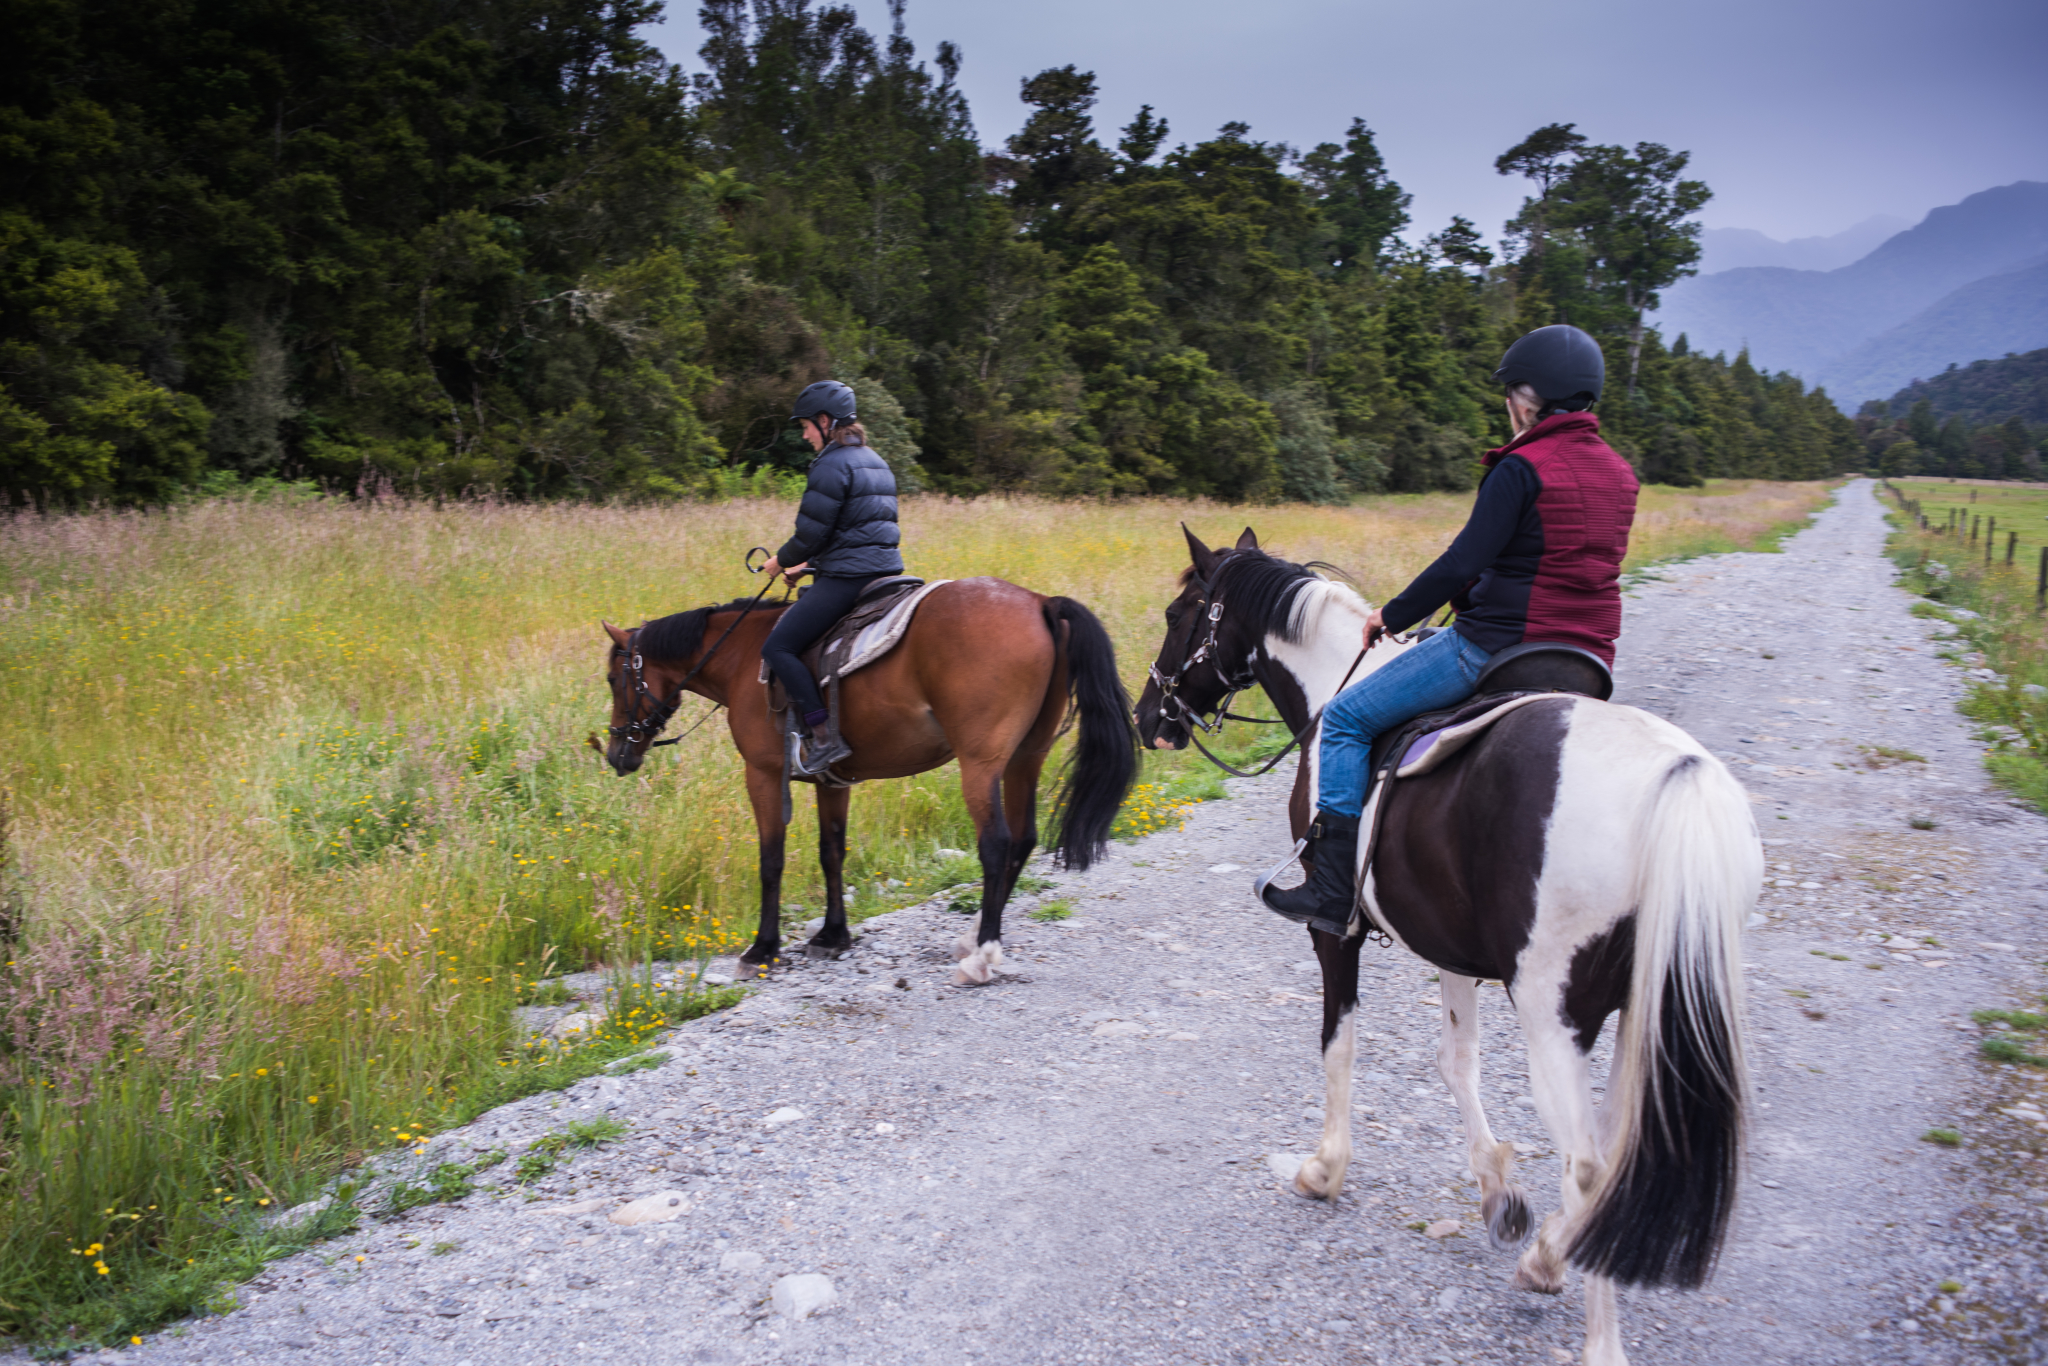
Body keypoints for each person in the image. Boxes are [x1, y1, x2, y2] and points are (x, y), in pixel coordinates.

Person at [1262, 324, 1639, 934]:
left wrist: (1393, 614)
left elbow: (1466, 560)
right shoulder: (1621, 476)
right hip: (1586, 657)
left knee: (1345, 721)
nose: (1509, 405)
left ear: (1529, 396)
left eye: (1511, 392)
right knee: (1429, 646)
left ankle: (1330, 888)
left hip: (1499, 646)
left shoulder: (1521, 467)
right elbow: (1548, 559)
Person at [758, 380, 905, 774]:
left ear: (825, 421)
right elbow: (855, 533)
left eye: (806, 426)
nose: (805, 435)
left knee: (778, 648)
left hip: (849, 580)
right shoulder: (876, 460)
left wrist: (780, 561)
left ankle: (823, 738)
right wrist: (806, 567)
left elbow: (812, 532)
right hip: (885, 573)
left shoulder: (830, 464)